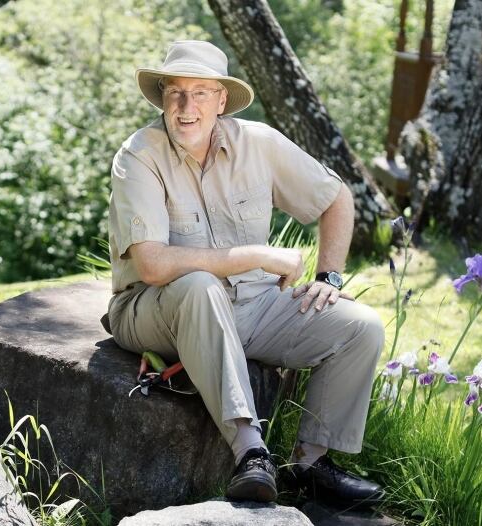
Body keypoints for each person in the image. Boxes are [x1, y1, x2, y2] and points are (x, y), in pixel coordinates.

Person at [107, 40, 385, 505]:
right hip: (153, 311)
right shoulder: (139, 155)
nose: (186, 107)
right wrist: (255, 254)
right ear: (162, 99)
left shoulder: (258, 143)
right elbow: (153, 265)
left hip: (252, 307)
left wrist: (329, 279)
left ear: (221, 100)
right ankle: (251, 455)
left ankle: (309, 464)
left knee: (361, 328)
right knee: (198, 286)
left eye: (200, 93)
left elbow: (336, 198)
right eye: (175, 92)